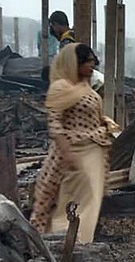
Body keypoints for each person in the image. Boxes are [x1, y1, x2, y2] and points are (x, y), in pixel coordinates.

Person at [30, 44, 119, 244]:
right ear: (74, 63)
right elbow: (55, 124)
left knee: (89, 204)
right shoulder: (61, 88)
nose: (91, 65)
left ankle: (81, 245)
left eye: (91, 61)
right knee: (65, 203)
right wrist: (68, 153)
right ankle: (58, 244)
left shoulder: (88, 89)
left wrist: (106, 124)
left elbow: (93, 117)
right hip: (72, 155)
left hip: (93, 155)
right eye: (86, 61)